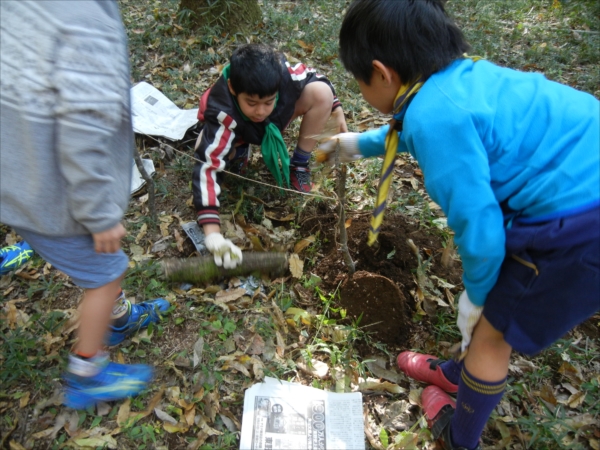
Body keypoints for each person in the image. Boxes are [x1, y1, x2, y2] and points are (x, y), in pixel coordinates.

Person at [319, 1, 600, 449]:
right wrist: (358, 144)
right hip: (579, 179)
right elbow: (411, 126)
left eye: (359, 80)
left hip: (579, 228)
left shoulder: (436, 116)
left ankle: (459, 437)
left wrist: (477, 298)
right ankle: (456, 375)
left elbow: (481, 232)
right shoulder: (458, 80)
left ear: (381, 72)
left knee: (491, 336)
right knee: (490, 314)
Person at [0, 0, 169, 409]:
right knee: (108, 273)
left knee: (101, 267)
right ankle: (88, 371)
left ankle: (117, 317)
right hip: (52, 195)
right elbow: (83, 130)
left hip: (16, 173)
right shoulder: (86, 22)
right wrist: (99, 214)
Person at [192, 43, 347, 269]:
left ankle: (299, 164)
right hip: (238, 130)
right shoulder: (222, 112)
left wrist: (337, 107)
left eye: (268, 102)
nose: (260, 111)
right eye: (252, 103)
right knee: (205, 147)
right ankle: (239, 150)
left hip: (273, 123)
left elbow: (316, 76)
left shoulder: (283, 76)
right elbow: (206, 168)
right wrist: (213, 234)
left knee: (321, 93)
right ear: (232, 88)